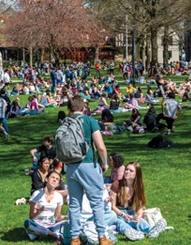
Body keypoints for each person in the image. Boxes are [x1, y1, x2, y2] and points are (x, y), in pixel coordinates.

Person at [64, 96, 112, 245]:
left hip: (71, 166)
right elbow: (101, 147)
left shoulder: (66, 123)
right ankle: (102, 237)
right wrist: (104, 163)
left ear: (69, 109)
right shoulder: (90, 121)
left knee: (74, 203)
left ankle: (74, 238)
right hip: (88, 163)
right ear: (84, 107)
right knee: (96, 202)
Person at [111, 162, 166, 240]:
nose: (127, 171)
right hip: (118, 213)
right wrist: (123, 215)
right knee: (120, 224)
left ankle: (152, 231)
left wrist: (139, 215)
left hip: (130, 212)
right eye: (126, 169)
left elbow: (140, 205)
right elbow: (112, 206)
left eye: (131, 171)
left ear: (136, 174)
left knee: (140, 222)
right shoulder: (117, 184)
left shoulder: (137, 187)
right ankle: (131, 232)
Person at [24, 170, 65, 240]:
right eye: (52, 177)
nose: (54, 180)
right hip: (38, 223)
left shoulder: (59, 197)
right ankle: (53, 234)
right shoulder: (37, 194)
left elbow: (57, 216)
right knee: (27, 222)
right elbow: (31, 217)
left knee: (67, 223)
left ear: (58, 184)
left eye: (57, 179)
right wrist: (39, 212)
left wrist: (59, 217)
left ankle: (37, 233)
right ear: (46, 179)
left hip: (51, 224)